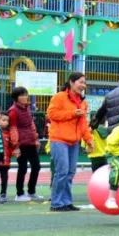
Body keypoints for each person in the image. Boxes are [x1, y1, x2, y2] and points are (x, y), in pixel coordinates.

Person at [46, 73, 95, 212]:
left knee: (70, 172)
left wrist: (89, 139)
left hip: (74, 141)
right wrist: (73, 113)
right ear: (71, 82)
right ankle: (56, 203)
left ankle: (66, 201)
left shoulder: (83, 102)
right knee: (62, 171)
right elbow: (51, 115)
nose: (83, 85)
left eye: (84, 83)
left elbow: (83, 124)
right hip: (59, 139)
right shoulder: (59, 97)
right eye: (81, 82)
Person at [8, 87, 43, 202]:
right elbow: (12, 129)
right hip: (21, 143)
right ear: (16, 98)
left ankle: (31, 191)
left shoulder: (27, 108)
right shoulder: (13, 111)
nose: (24, 97)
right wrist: (16, 146)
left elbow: (31, 125)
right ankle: (19, 193)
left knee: (36, 166)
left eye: (25, 94)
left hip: (31, 142)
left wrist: (36, 139)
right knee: (22, 168)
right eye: (21, 95)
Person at [0, 113, 13, 202]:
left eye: (7, 121)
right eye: (3, 120)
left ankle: (3, 193)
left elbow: (10, 147)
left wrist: (10, 154)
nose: (6, 122)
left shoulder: (9, 133)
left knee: (4, 177)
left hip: (6, 161)